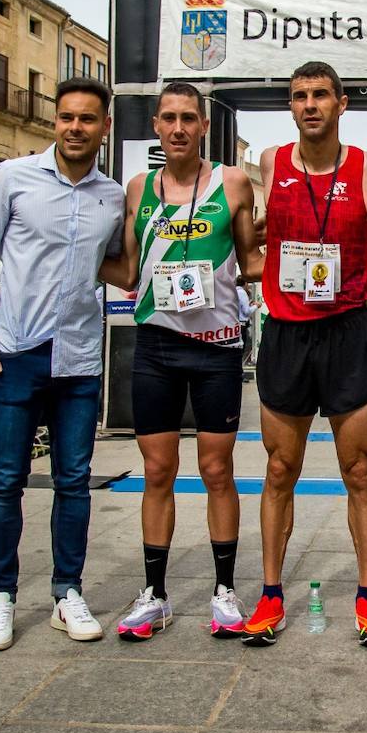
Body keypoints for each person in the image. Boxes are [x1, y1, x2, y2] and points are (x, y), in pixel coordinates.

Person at [0, 76, 125, 652]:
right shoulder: (12, 179)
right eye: (66, 117)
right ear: (55, 122)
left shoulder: (113, 196)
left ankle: (66, 593)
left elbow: (122, 267)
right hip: (15, 354)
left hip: (78, 359)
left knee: (74, 483)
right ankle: (0, 596)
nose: (75, 127)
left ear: (105, 127)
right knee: (5, 481)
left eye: (87, 119)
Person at [241, 61, 367, 647]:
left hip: (347, 332)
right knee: (280, 470)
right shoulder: (271, 163)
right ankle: (271, 595)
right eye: (300, 96)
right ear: (291, 106)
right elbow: (261, 233)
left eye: (321, 95)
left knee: (359, 471)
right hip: (286, 332)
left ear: (342, 103)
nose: (310, 105)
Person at [101, 82, 261, 642]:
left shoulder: (231, 182)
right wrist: (77, 255)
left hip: (216, 346)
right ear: (155, 125)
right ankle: (156, 596)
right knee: (157, 470)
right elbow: (123, 270)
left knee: (217, 471)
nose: (177, 128)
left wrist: (315, 253)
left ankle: (224, 591)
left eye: (188, 118)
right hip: (157, 346)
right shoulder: (139, 187)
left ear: (203, 126)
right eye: (168, 118)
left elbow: (250, 262)